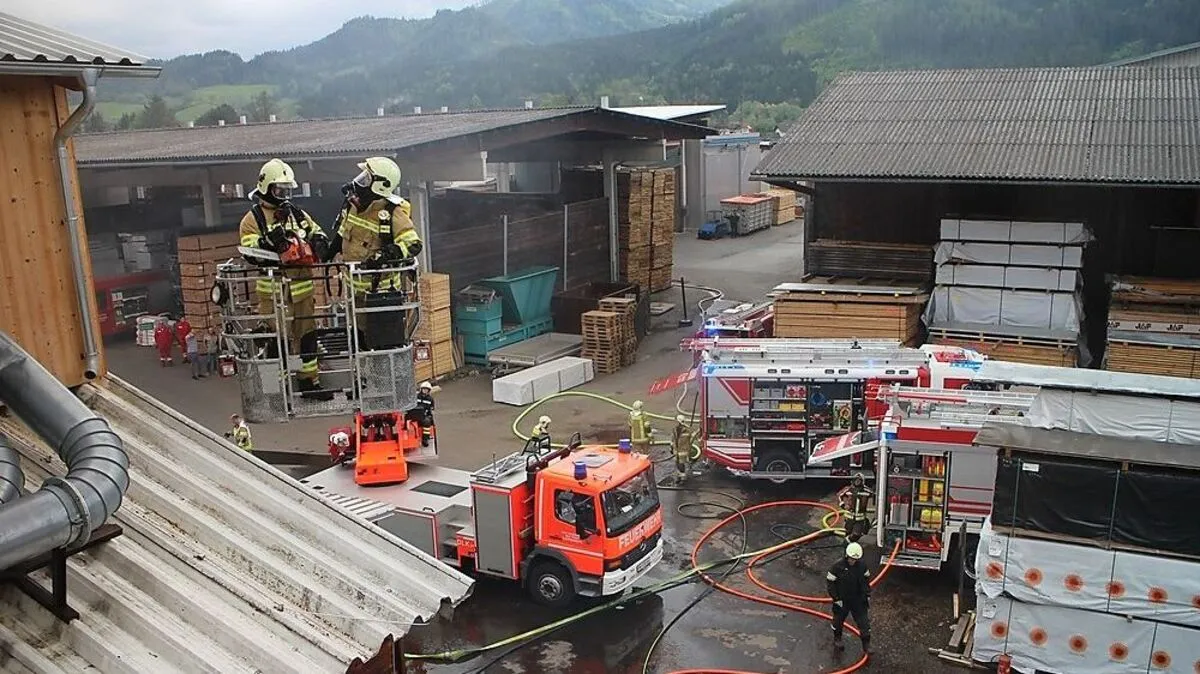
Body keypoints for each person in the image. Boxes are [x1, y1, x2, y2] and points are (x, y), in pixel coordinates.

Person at [238, 158, 332, 400]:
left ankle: (309, 382)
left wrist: (320, 242)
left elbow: (315, 231)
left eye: (288, 190)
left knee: (308, 336)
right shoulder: (253, 219)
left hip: (302, 289)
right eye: (281, 190)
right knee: (274, 340)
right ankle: (274, 390)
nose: (285, 195)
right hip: (273, 291)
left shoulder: (296, 213)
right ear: (266, 187)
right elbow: (250, 252)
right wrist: (268, 242)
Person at [322, 157, 422, 347]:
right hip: (354, 291)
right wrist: (327, 252)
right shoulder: (355, 206)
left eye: (366, 179)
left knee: (379, 343)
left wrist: (386, 255)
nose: (359, 182)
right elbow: (343, 234)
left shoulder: (393, 212)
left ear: (380, 186)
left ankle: (376, 374)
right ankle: (363, 375)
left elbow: (413, 244)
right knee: (359, 340)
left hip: (381, 295)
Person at [826, 541, 872, 655]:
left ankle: (866, 645)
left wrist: (867, 594)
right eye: (851, 559)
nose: (853, 561)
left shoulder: (862, 566)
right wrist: (836, 598)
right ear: (847, 556)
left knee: (864, 623)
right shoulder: (837, 567)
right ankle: (838, 639)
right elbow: (830, 582)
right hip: (842, 600)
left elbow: (866, 580)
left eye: (855, 559)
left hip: (858, 600)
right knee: (838, 621)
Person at [838, 473, 875, 542]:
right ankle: (848, 548)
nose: (857, 482)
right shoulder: (848, 490)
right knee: (848, 533)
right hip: (849, 517)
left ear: (863, 481)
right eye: (856, 480)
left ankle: (849, 542)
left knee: (856, 534)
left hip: (860, 518)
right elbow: (840, 495)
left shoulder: (867, 491)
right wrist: (843, 505)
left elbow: (876, 496)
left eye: (859, 480)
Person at [404, 380, 437, 447]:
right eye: (424, 389)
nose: (425, 390)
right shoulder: (415, 397)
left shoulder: (430, 399)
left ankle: (425, 439)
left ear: (429, 391)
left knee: (427, 422)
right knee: (405, 422)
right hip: (413, 415)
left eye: (426, 389)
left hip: (424, 416)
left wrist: (431, 419)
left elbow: (431, 409)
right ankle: (406, 439)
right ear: (421, 389)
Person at [672, 414, 696, 481]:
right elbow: (673, 439)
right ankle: (681, 475)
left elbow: (693, 437)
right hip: (679, 450)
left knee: (681, 463)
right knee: (680, 463)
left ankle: (682, 476)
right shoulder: (686, 429)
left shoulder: (683, 429)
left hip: (681, 450)